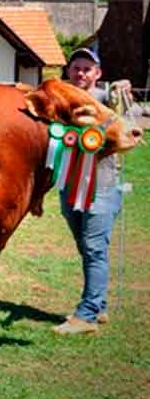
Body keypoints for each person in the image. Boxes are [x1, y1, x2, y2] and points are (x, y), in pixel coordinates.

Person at [53, 48, 133, 335]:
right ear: (68, 71)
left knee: (94, 248)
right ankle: (97, 305)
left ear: (98, 74)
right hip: (70, 186)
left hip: (103, 187)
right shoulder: (61, 103)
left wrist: (121, 89)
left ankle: (86, 315)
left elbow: (122, 105)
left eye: (88, 69)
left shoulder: (105, 101)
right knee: (87, 248)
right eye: (76, 68)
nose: (81, 73)